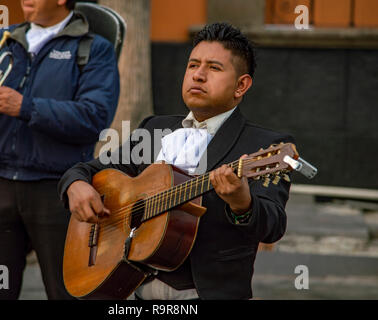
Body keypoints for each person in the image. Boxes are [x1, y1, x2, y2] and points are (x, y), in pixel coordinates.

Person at [58, 22, 294, 300]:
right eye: (193, 65)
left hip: (206, 292)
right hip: (136, 286)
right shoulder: (155, 129)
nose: (199, 75)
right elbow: (88, 169)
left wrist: (243, 203)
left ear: (241, 85)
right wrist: (75, 184)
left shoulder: (264, 147)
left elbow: (273, 226)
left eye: (214, 68)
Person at [0, 0, 120, 299]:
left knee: (65, 291)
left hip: (57, 190)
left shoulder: (93, 48)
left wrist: (25, 107)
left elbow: (94, 117)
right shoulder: (1, 40)